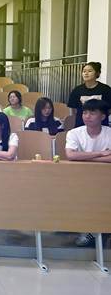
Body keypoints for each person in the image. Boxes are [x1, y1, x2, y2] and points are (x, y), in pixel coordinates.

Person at [66, 99, 111, 247]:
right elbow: (70, 155)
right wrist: (101, 153)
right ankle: (89, 231)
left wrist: (84, 157)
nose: (87, 116)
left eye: (92, 113)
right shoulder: (74, 133)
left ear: (102, 116)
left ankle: (102, 230)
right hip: (81, 177)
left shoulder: (109, 133)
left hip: (106, 178)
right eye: (85, 112)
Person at [67, 62, 111, 128]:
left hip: (101, 126)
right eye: (84, 71)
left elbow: (109, 110)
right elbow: (73, 109)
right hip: (81, 125)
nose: (86, 73)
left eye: (90, 71)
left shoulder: (105, 89)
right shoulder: (77, 90)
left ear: (97, 73)